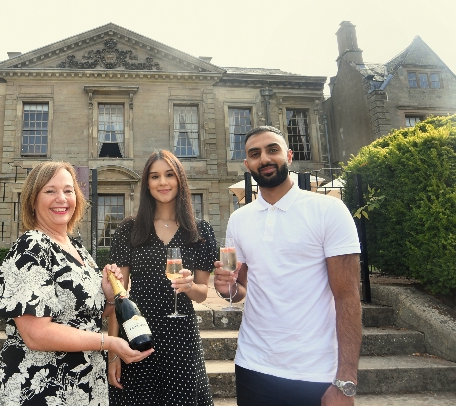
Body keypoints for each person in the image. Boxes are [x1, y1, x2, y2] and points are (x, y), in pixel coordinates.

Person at [214, 126, 362, 406]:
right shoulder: (239, 219)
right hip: (253, 364)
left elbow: (348, 297)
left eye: (273, 150)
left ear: (289, 155)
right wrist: (226, 288)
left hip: (315, 370)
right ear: (247, 165)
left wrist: (346, 381)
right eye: (255, 154)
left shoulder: (328, 211)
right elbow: (239, 289)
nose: (264, 159)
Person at [0, 161, 153, 406]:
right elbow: (36, 334)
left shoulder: (77, 249)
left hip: (82, 386)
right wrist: (108, 343)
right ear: (33, 199)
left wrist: (108, 296)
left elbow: (87, 316)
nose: (61, 198)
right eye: (50, 191)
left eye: (68, 190)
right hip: (40, 388)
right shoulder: (32, 246)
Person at [107, 150, 217, 405]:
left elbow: (202, 294)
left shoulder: (200, 231)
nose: (163, 182)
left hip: (181, 339)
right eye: (155, 176)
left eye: (169, 175)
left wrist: (189, 286)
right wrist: (113, 350)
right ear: (147, 183)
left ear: (180, 180)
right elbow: (117, 294)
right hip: (137, 335)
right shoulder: (130, 229)